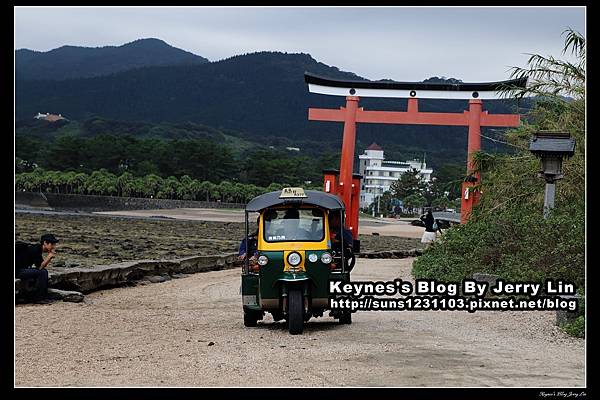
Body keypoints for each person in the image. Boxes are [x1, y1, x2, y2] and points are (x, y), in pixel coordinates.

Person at [15, 233, 59, 303]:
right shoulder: (35, 249)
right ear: (45, 243)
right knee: (42, 273)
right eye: (52, 244)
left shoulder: (37, 248)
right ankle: (38, 298)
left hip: (20, 269)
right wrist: (49, 256)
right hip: (17, 270)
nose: (54, 247)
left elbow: (40, 266)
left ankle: (38, 296)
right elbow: (40, 267)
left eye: (54, 244)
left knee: (42, 272)